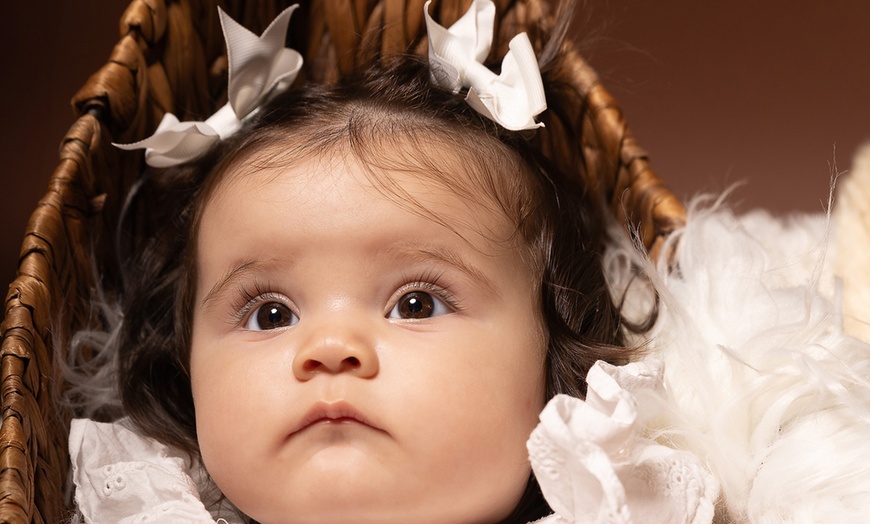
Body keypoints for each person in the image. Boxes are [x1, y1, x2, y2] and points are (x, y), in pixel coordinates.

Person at [65, 2, 717, 522]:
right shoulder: (147, 506)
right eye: (270, 313)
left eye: (416, 303)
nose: (329, 348)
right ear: (184, 373)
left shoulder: (616, 503)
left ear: (557, 364)